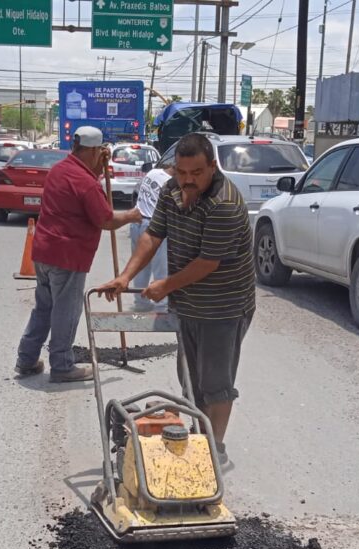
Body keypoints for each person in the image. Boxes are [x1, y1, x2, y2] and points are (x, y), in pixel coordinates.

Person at [98, 134, 255, 463]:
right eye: (181, 172)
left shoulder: (224, 203)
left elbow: (206, 264)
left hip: (223, 307)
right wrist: (126, 276)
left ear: (212, 166)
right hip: (187, 304)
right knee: (191, 381)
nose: (188, 180)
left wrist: (165, 285)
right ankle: (201, 439)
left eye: (196, 173)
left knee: (216, 384)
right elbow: (153, 235)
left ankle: (215, 451)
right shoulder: (172, 191)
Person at [14, 126, 141, 383]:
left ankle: (26, 359)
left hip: (44, 252)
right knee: (66, 310)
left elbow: (84, 184)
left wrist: (97, 167)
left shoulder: (60, 171)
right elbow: (105, 219)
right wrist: (132, 215)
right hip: (68, 256)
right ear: (94, 150)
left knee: (44, 308)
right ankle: (62, 365)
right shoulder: (86, 183)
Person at [129, 164, 173, 311]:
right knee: (161, 268)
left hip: (137, 222)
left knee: (140, 265)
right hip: (154, 227)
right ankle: (162, 305)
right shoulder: (171, 184)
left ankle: (140, 303)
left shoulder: (153, 173)